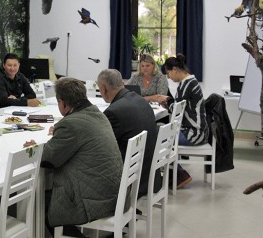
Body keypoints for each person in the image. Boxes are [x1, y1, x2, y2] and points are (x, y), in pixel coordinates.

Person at [23, 77, 122, 236]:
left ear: (62, 102)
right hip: (113, 194)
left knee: (36, 202)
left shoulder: (71, 124)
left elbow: (48, 160)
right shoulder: (98, 114)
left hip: (92, 201)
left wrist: (35, 147)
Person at [97, 69, 162, 198]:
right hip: (149, 174)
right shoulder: (140, 100)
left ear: (103, 89)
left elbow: (102, 147)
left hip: (131, 179)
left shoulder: (113, 111)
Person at [162, 53, 209, 188]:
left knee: (160, 139)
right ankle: (174, 174)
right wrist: (169, 102)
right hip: (197, 131)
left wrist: (166, 102)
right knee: (162, 134)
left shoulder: (186, 85)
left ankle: (180, 175)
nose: (168, 77)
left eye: (168, 73)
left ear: (175, 69)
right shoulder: (190, 82)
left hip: (194, 134)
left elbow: (177, 110)